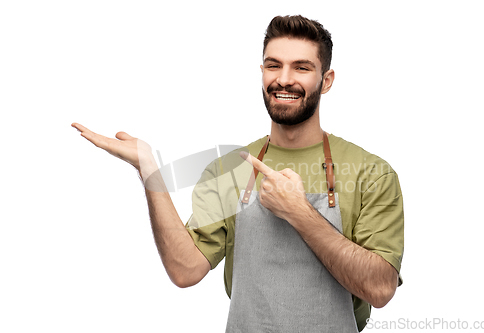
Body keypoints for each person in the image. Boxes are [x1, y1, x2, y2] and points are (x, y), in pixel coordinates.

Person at [72, 15, 404, 332]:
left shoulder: (370, 172)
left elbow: (380, 288)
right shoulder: (227, 170)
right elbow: (185, 269)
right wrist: (150, 173)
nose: (284, 78)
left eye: (301, 67)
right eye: (274, 65)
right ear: (261, 72)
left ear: (326, 80)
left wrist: (299, 212)